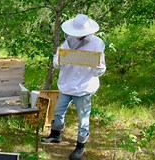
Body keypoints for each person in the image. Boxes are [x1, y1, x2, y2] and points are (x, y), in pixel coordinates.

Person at [41, 14, 106, 160]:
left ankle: (80, 147)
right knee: (58, 112)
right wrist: (58, 61)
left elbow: (100, 67)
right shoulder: (68, 40)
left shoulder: (97, 43)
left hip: (84, 87)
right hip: (67, 84)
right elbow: (57, 58)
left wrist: (98, 67)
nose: (79, 37)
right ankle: (56, 135)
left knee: (83, 120)